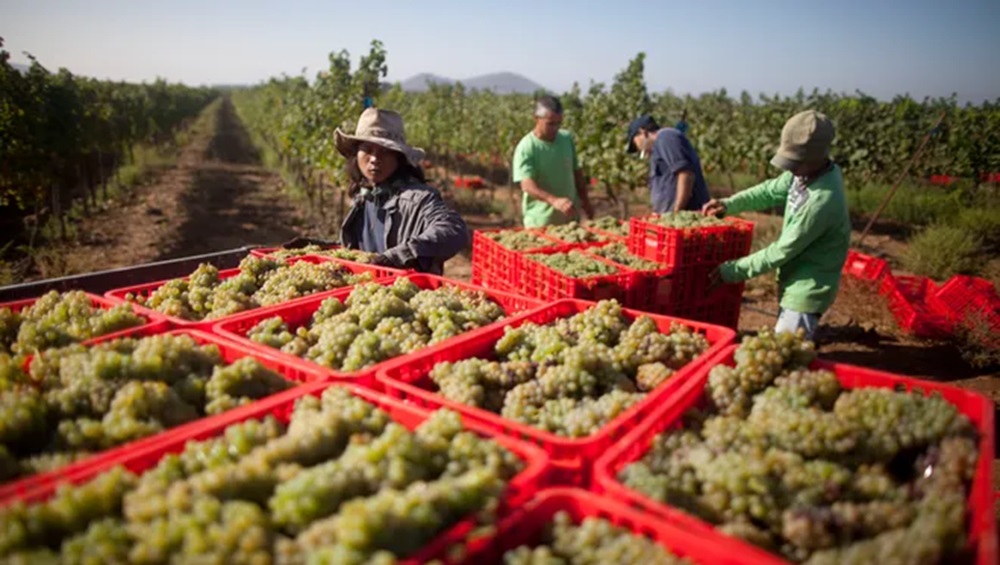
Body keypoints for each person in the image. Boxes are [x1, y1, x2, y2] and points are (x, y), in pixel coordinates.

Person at [702, 110, 851, 342]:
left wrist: (732, 271)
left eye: (794, 162)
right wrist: (729, 204)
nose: (789, 168)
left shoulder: (821, 199)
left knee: (786, 354)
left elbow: (782, 250)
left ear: (813, 159)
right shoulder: (803, 174)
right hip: (793, 276)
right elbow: (769, 191)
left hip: (808, 286)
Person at [333, 107, 470, 275]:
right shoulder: (363, 197)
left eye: (385, 151)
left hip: (403, 297)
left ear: (399, 158)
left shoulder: (418, 198)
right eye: (368, 149)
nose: (375, 159)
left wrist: (398, 256)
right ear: (356, 154)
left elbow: (453, 229)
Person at [512, 95, 595, 227]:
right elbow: (527, 185)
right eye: (550, 124)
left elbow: (576, 172)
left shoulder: (566, 138)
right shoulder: (527, 147)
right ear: (536, 119)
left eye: (558, 123)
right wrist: (554, 201)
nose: (555, 128)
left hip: (570, 220)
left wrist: (585, 201)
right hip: (541, 222)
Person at [626, 114, 710, 214]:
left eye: (635, 143)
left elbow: (685, 174)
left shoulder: (666, 137)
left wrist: (677, 211)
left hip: (686, 215)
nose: (638, 149)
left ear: (642, 133)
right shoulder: (658, 147)